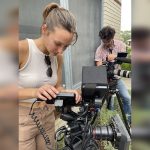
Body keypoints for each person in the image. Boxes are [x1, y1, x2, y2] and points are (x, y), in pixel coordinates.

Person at [19, 3, 81, 150]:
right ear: (44, 29)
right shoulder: (21, 49)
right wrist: (35, 92)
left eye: (66, 46)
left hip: (48, 116)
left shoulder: (57, 57)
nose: (61, 51)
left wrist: (67, 92)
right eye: (58, 44)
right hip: (20, 120)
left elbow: (55, 87)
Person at [95, 26, 131, 125]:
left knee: (127, 98)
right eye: (103, 41)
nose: (105, 43)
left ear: (112, 37)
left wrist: (114, 56)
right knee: (106, 101)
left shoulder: (120, 45)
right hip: (105, 79)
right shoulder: (99, 49)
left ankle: (127, 120)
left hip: (117, 78)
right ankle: (106, 121)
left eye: (107, 41)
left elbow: (124, 58)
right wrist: (106, 60)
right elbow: (98, 66)